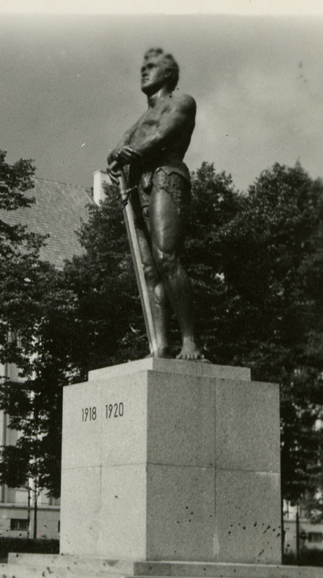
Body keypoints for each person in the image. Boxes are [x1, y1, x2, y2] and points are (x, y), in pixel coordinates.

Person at [107, 47, 204, 361]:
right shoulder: (140, 118)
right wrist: (115, 159)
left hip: (166, 176)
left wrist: (127, 153)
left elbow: (164, 135)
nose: (144, 71)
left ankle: (190, 341)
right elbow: (114, 152)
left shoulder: (182, 102)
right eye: (142, 66)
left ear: (168, 74)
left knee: (166, 258)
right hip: (137, 188)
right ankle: (160, 346)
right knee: (149, 270)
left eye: (151, 66)